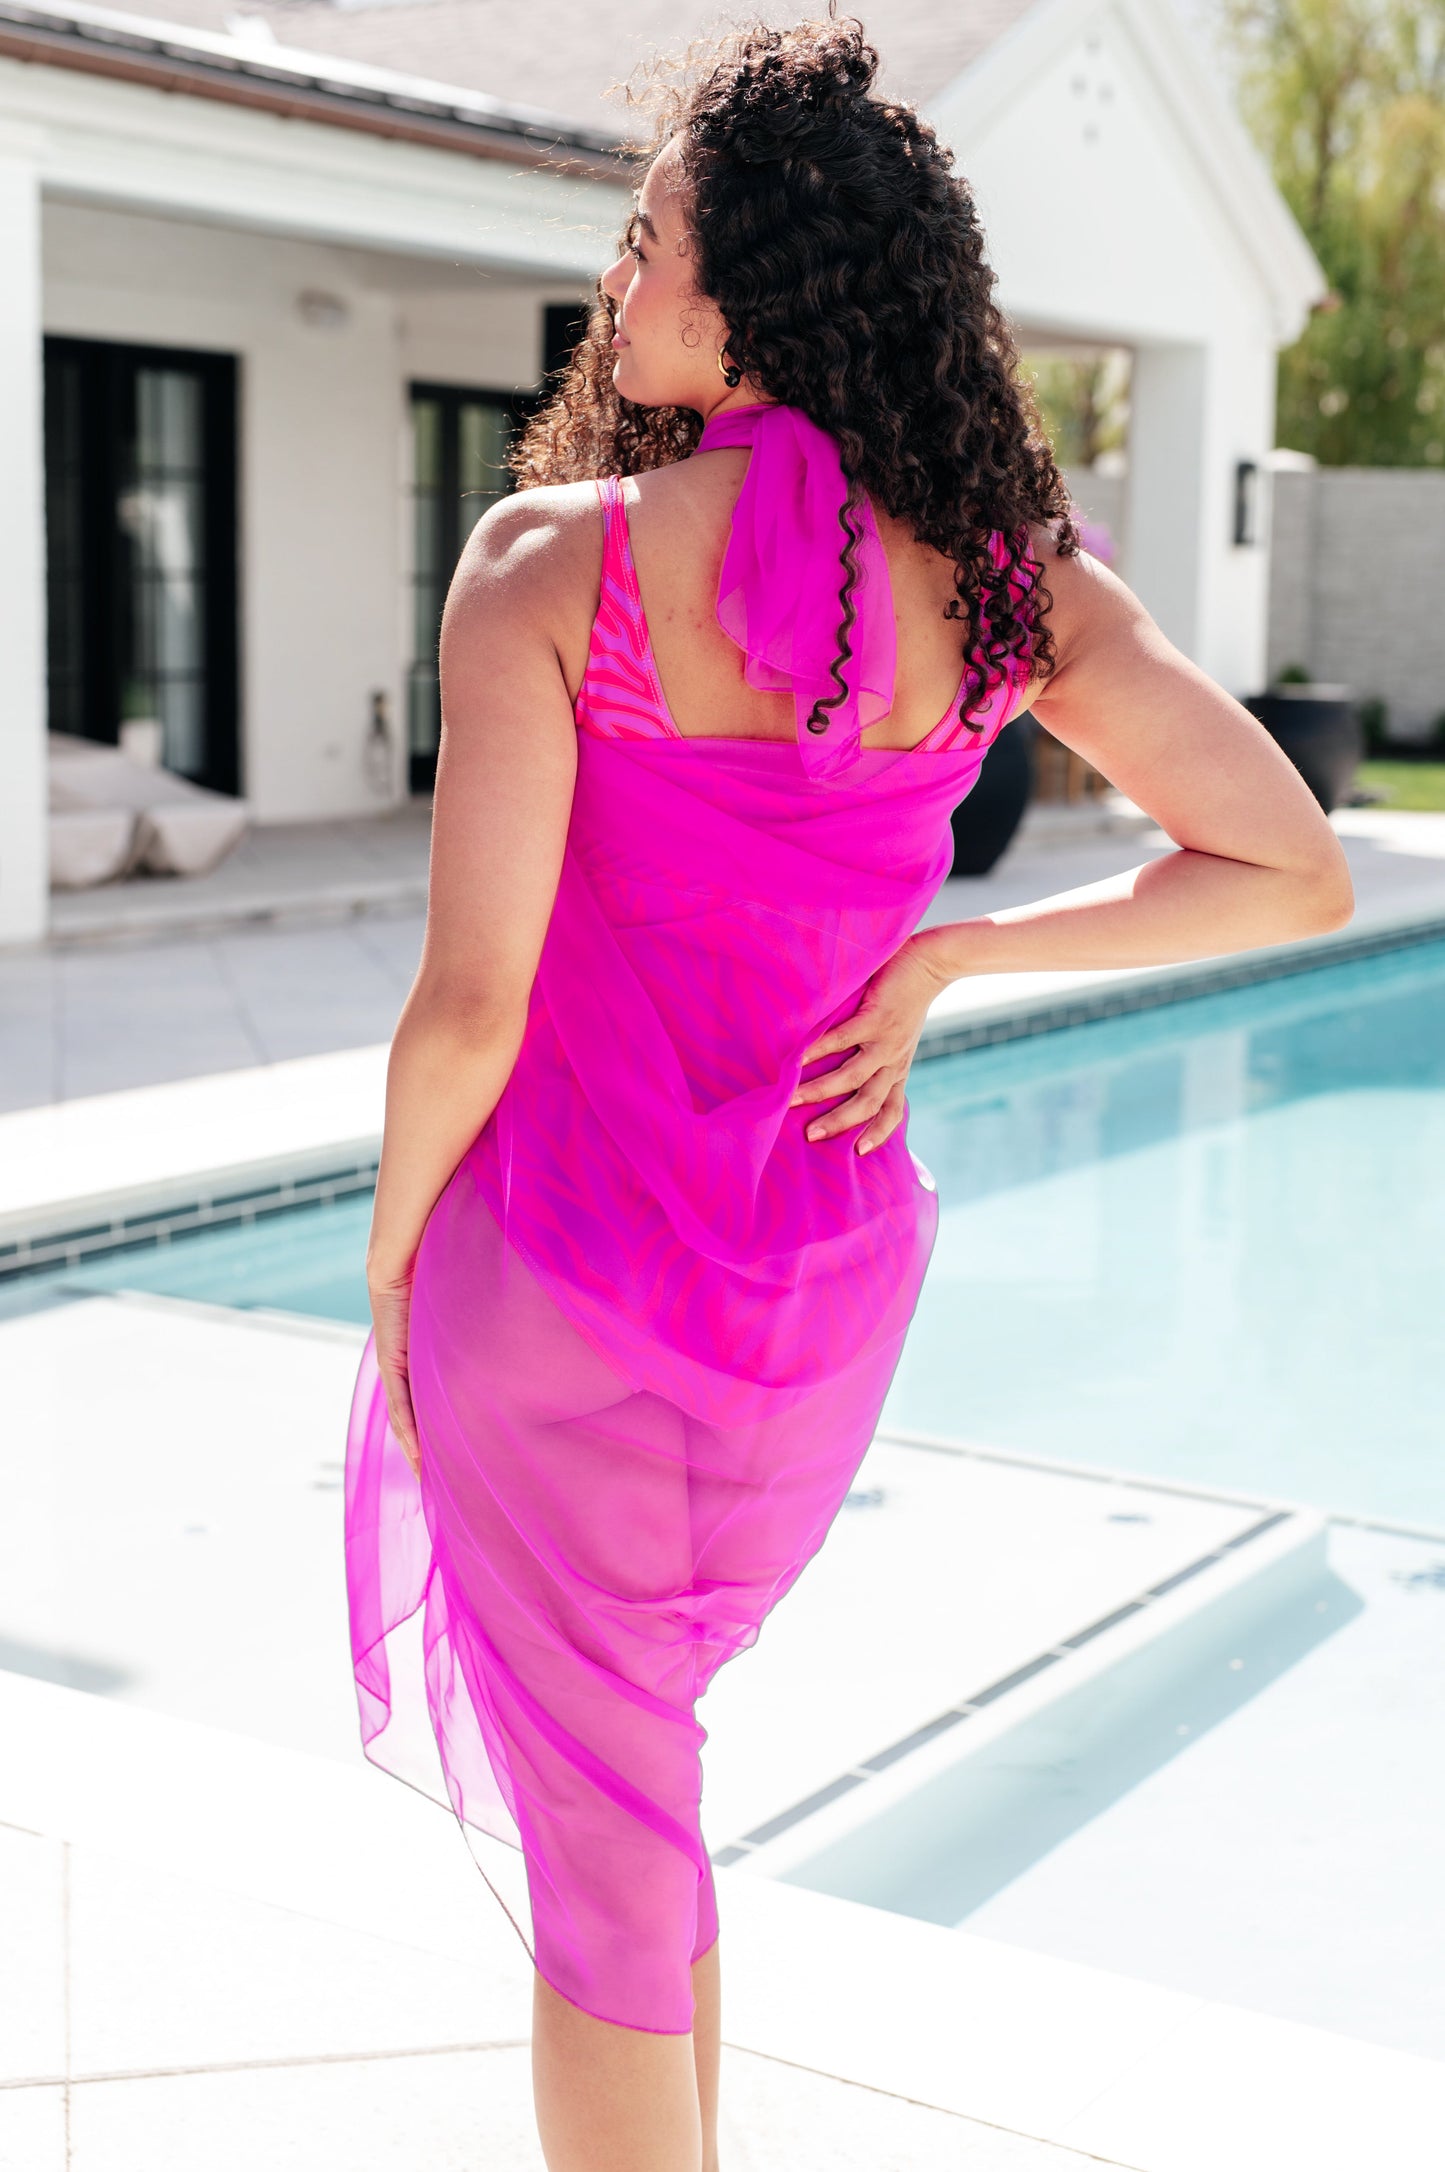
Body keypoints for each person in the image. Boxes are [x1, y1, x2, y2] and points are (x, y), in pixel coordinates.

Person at [344, 16, 1353, 2171]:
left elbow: (466, 1009)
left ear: (759, 296)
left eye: (653, 242)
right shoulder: (1006, 585)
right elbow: (1290, 865)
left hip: (562, 1286)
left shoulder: (548, 566)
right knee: (646, 1799)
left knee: (605, 1870)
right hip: (809, 1311)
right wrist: (960, 953)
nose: (620, 280)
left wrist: (386, 1257)